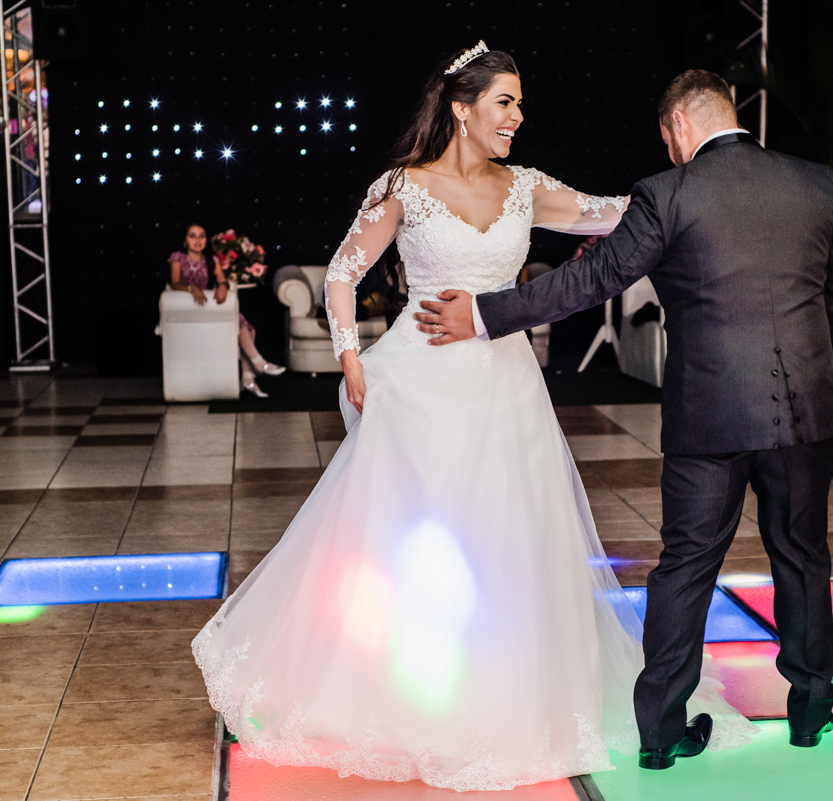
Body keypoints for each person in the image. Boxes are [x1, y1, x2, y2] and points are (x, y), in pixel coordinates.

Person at [191, 44, 755, 792]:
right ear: (463, 107)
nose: (518, 117)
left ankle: (508, 692)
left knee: (511, 534)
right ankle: (406, 689)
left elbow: (618, 215)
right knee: (413, 541)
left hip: (506, 387)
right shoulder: (403, 185)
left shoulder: (528, 187)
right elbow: (340, 273)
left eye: (521, 105)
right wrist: (350, 357)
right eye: (506, 103)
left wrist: (702, 180)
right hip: (419, 387)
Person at [418, 69, 833, 757]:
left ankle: (660, 733)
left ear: (678, 126)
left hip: (709, 419)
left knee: (686, 568)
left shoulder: (668, 193)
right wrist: (817, 384)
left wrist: (482, 312)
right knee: (804, 559)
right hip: (806, 414)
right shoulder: (817, 182)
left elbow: (590, 280)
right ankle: (810, 711)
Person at [168, 222, 285, 397]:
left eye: (201, 236)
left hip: (205, 307)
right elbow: (175, 282)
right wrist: (192, 288)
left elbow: (222, 280)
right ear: (185, 240)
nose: (197, 240)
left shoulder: (211, 259)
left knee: (245, 326)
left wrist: (223, 286)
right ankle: (257, 367)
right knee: (242, 323)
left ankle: (248, 378)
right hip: (189, 309)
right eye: (192, 236)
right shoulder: (178, 257)